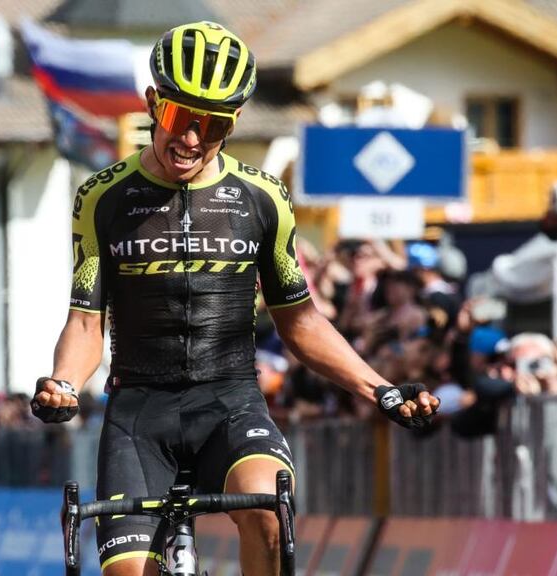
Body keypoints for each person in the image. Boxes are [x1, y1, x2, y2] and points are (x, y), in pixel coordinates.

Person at [28, 22, 438, 576]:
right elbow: (84, 322)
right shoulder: (101, 196)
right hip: (139, 413)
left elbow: (301, 321)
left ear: (234, 122)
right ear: (153, 103)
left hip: (230, 402)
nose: (192, 139)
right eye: (178, 118)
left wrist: (381, 389)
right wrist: (65, 385)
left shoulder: (263, 197)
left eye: (213, 124)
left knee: (270, 512)